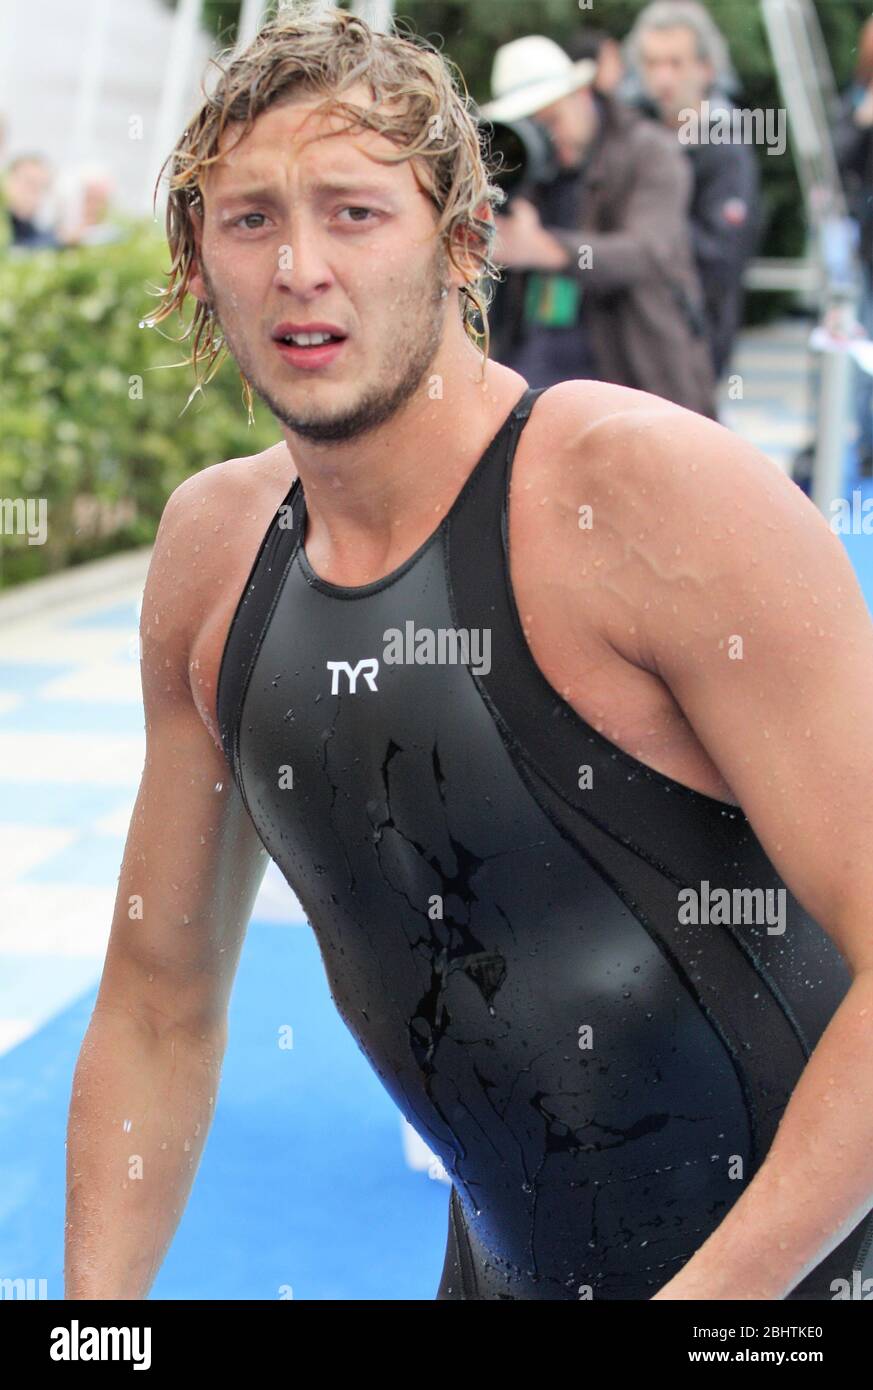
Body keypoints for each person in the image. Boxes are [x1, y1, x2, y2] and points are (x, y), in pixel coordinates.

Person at [64, 5, 873, 1301]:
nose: (298, 268)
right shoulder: (215, 556)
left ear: (460, 241)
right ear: (196, 259)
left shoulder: (647, 495)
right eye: (251, 219)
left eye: (353, 211)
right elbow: (159, 999)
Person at [481, 35, 716, 419]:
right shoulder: (523, 166)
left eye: (552, 120)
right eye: (533, 127)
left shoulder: (649, 150)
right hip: (530, 373)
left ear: (583, 94)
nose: (548, 138)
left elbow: (646, 252)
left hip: (633, 373)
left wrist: (544, 249)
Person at [624, 1, 762, 381]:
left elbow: (722, 256)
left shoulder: (724, 149)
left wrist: (640, 240)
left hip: (693, 345)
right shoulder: (629, 136)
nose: (663, 78)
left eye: (675, 63)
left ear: (706, 68)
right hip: (625, 343)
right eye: (651, 64)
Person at [833, 14, 873, 478]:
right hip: (868, 249)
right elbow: (838, 156)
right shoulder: (859, 98)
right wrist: (862, 122)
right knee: (865, 352)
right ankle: (867, 444)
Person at [2, 152, 60, 249]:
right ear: (8, 183)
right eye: (29, 183)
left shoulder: (29, 225)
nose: (35, 193)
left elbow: (31, 238)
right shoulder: (4, 223)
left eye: (42, 186)